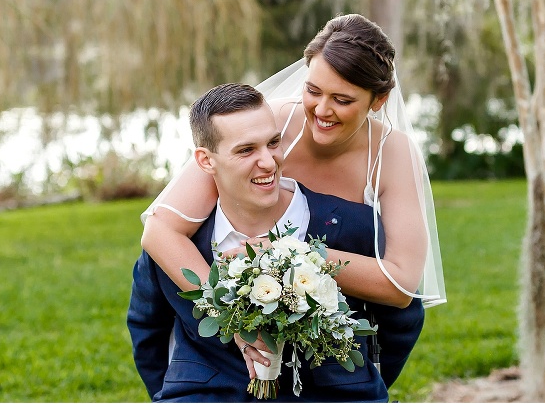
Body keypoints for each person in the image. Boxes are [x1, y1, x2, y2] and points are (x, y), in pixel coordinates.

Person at [140, 14, 447, 387]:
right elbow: (160, 229)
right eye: (313, 90)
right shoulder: (271, 127)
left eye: (343, 99)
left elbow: (401, 286)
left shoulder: (392, 153)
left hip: (326, 351)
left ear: (378, 100)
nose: (321, 110)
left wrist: (292, 255)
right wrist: (230, 316)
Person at [127, 83, 389, 402]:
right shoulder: (175, 244)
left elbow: (399, 322)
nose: (268, 161)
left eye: (273, 143)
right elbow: (147, 328)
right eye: (246, 150)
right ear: (206, 161)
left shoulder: (354, 225)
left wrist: (362, 385)